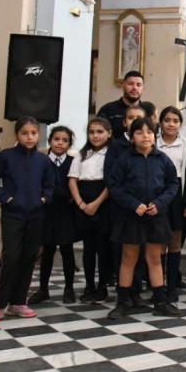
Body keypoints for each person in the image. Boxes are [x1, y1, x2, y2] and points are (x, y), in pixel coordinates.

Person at [0, 117, 55, 325]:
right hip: (12, 215)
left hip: (36, 215)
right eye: (25, 133)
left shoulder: (43, 160)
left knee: (28, 257)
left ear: (38, 135)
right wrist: (7, 198)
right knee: (11, 257)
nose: (29, 137)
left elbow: (50, 183)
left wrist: (44, 199)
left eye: (33, 133)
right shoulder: (6, 157)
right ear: (17, 135)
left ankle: (18, 302)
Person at [107, 118, 180, 319]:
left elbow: (172, 184)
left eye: (149, 132)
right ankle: (123, 301)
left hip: (156, 216)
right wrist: (133, 204)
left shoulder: (163, 159)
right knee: (129, 258)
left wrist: (160, 203)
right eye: (139, 132)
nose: (145, 136)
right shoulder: (124, 159)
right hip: (131, 216)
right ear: (132, 137)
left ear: (155, 136)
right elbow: (115, 186)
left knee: (154, 258)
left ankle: (160, 301)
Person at [28, 126, 77, 305]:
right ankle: (43, 289)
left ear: (69, 144)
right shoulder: (41, 160)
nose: (60, 143)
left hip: (66, 212)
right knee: (47, 250)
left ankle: (69, 288)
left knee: (67, 250)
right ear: (50, 141)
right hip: (46, 211)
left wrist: (67, 195)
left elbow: (74, 185)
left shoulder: (73, 162)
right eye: (56, 139)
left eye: (65, 140)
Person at [68, 118, 114, 304]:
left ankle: (102, 285)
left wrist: (96, 203)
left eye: (100, 132)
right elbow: (72, 179)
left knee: (103, 248)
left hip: (103, 201)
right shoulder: (81, 154)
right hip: (84, 201)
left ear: (109, 133)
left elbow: (111, 182)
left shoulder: (112, 154)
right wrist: (80, 203)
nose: (95, 135)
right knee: (89, 248)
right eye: (91, 132)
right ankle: (89, 285)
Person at [156, 106, 186, 303]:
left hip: (178, 196)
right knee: (157, 243)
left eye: (175, 121)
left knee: (174, 242)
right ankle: (157, 285)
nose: (171, 124)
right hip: (157, 193)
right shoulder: (153, 142)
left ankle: (172, 286)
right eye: (167, 120)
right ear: (160, 123)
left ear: (180, 124)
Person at [97, 70, 144, 139]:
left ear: (143, 88)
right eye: (130, 84)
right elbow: (97, 135)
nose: (134, 88)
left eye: (138, 85)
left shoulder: (147, 110)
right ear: (123, 86)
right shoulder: (107, 110)